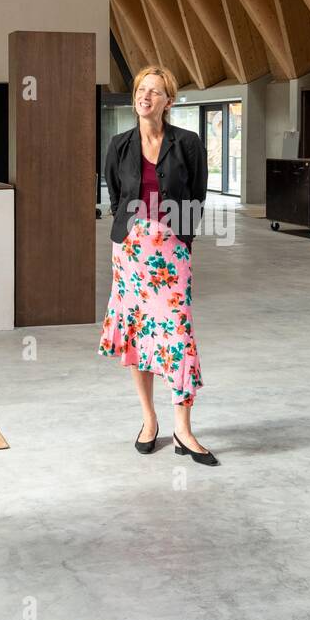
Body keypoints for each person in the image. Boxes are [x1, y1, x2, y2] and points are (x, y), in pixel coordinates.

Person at [99, 65, 215, 465]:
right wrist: (135, 233)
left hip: (171, 255)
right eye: (141, 89)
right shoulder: (119, 144)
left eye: (156, 91)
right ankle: (149, 420)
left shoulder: (188, 143)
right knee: (139, 334)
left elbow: (196, 197)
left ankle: (183, 429)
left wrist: (177, 238)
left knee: (177, 335)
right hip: (130, 256)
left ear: (169, 101)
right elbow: (116, 197)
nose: (146, 96)